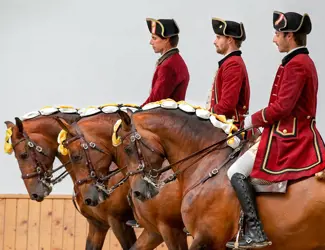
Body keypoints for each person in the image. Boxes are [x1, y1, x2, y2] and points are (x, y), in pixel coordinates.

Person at [227, 11, 325, 249]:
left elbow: (282, 107)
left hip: (290, 136)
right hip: (284, 130)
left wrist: (252, 120)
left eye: (277, 33)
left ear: (289, 35)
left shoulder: (297, 64)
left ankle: (255, 230)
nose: (274, 39)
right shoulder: (297, 61)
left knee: (235, 171)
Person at [206, 17, 250, 127]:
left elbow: (227, 104)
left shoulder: (233, 64)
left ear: (230, 39)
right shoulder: (230, 62)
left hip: (229, 127)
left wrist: (206, 115)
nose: (214, 41)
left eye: (219, 37)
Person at [141, 18, 190, 107]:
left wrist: (135, 113)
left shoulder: (168, 66)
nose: (151, 42)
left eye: (154, 38)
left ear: (167, 39)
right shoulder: (175, 60)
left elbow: (155, 101)